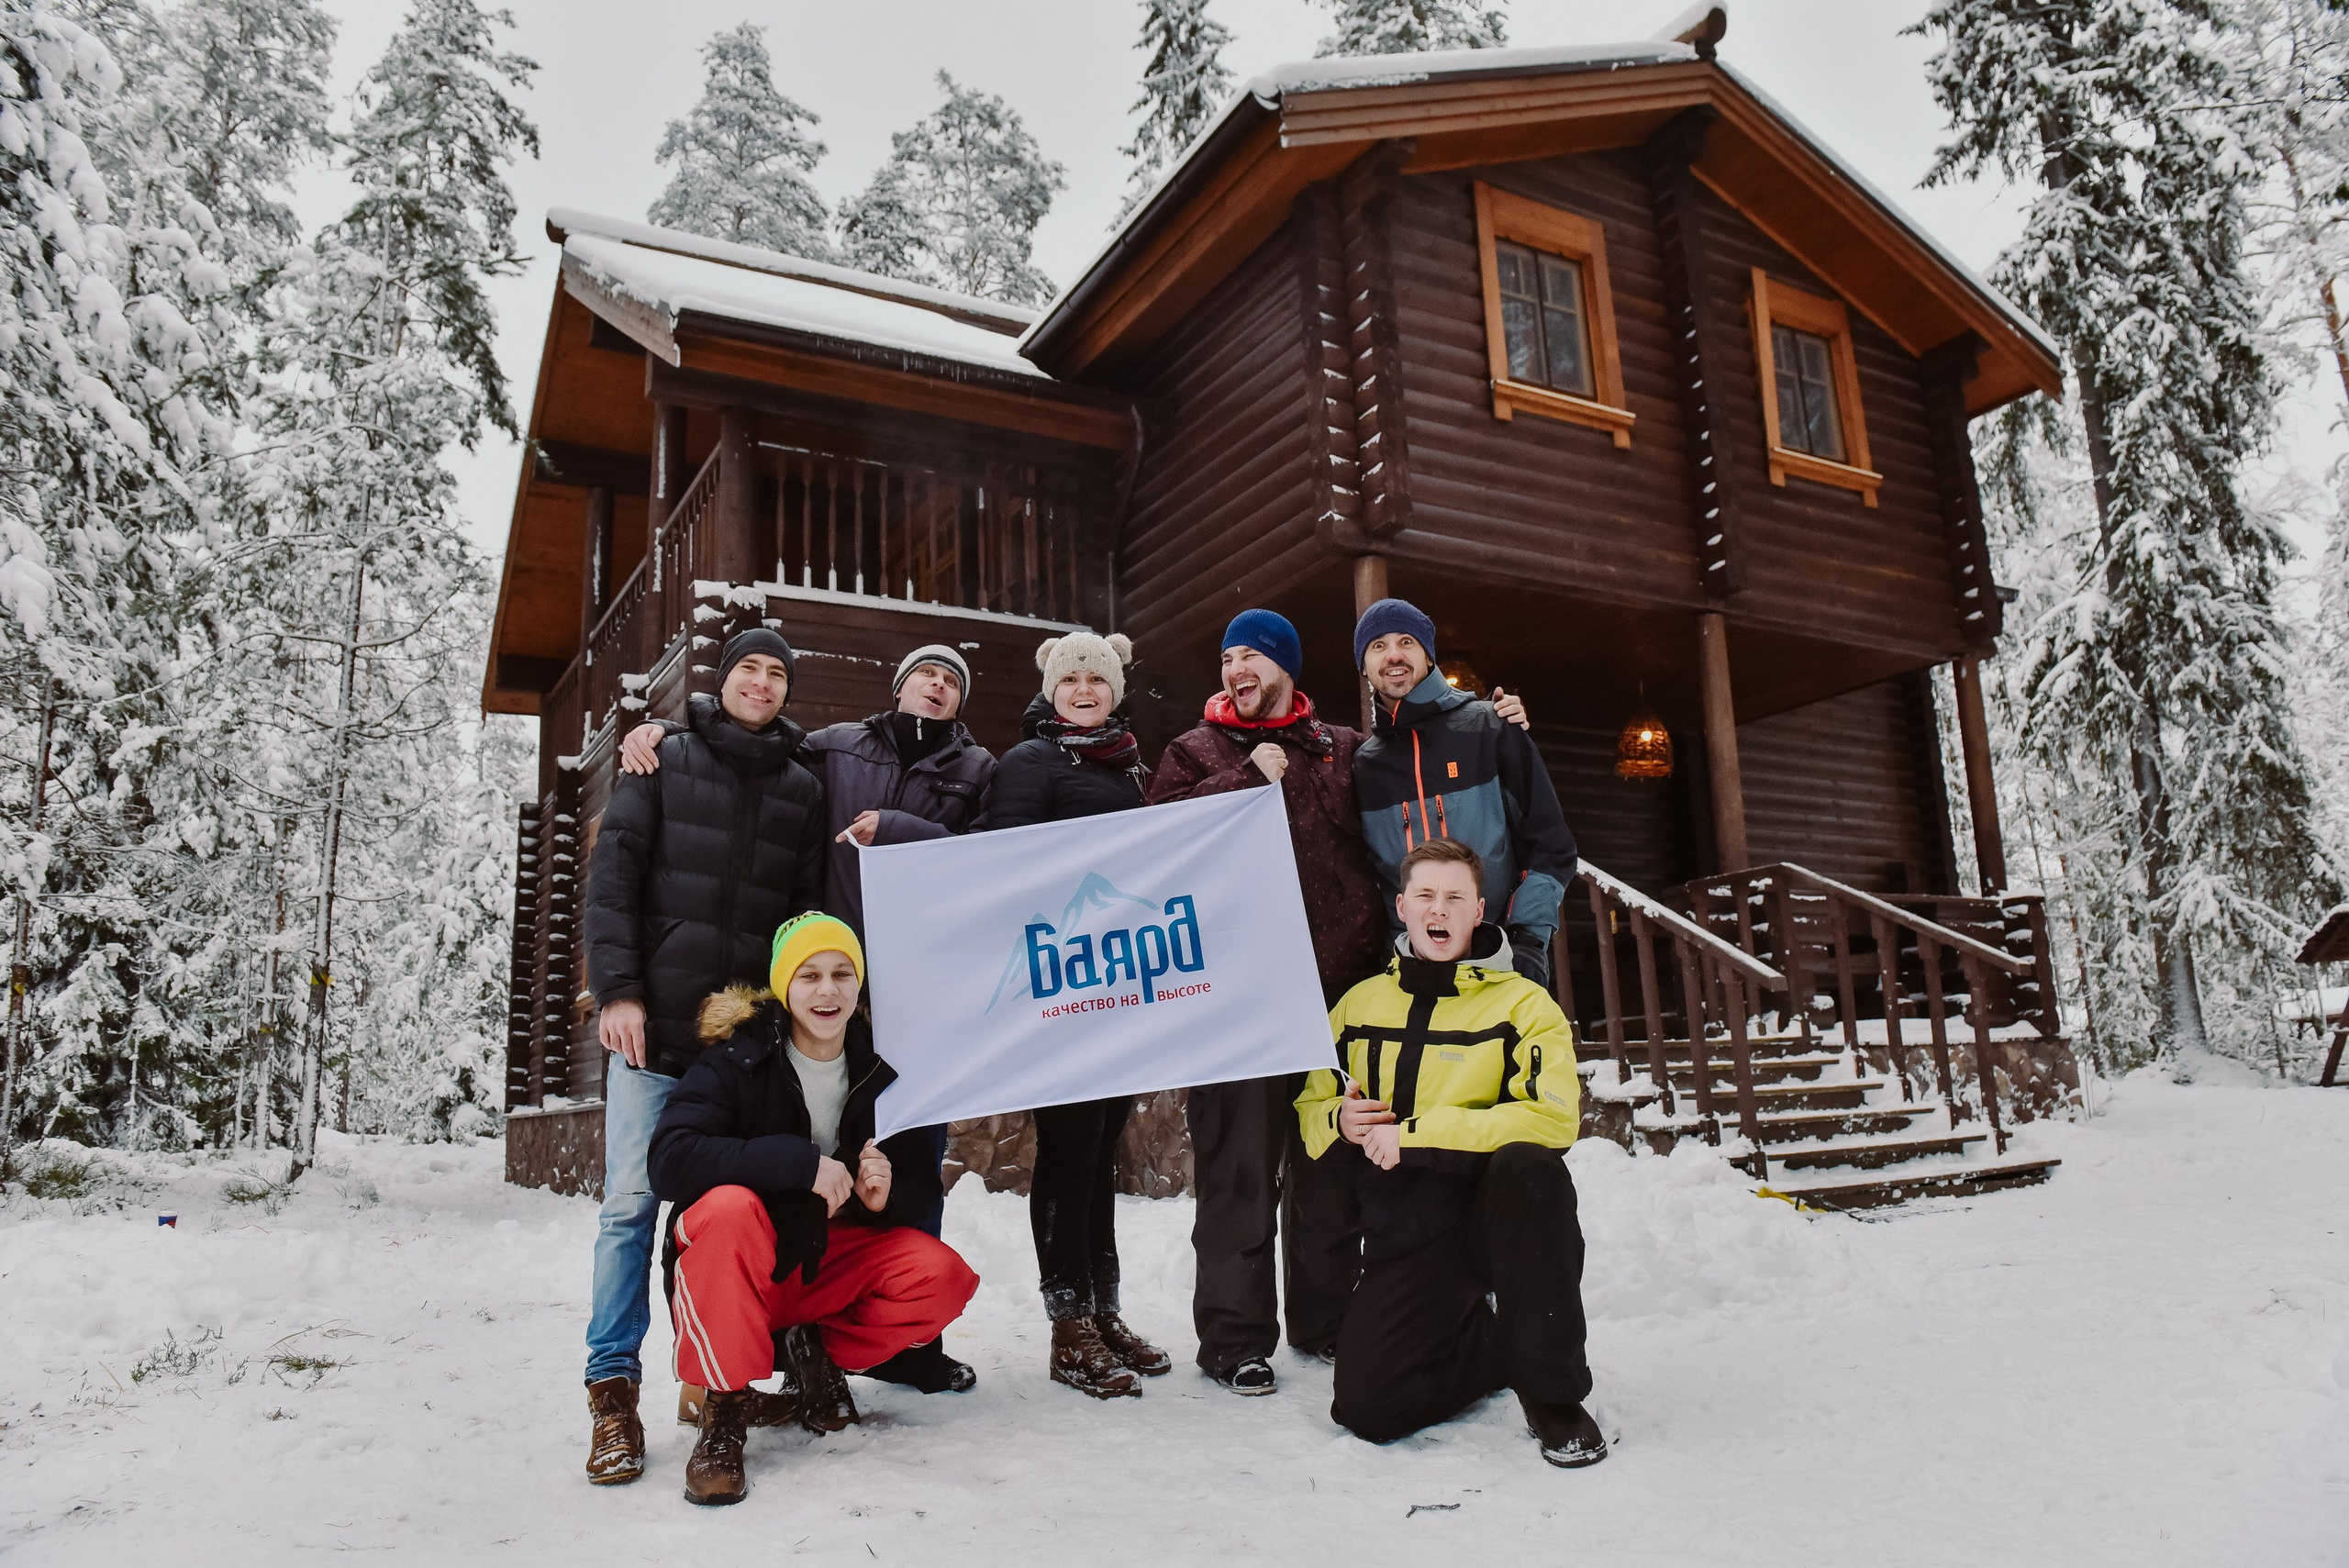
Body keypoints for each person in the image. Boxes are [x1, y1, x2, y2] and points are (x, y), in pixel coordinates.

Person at [1148, 609, 1532, 1396]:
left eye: (1251, 654)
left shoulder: (1344, 749)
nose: (1235, 668)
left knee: (1330, 1167)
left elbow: (1428, 782)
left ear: (1286, 665)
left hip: (1341, 995)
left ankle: (1323, 1321)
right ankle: (1234, 1337)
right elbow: (1152, 845)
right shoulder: (1193, 752)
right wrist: (1240, 778)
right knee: (1240, 1173)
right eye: (1226, 658)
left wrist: (1501, 730)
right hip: (1237, 1002)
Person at [619, 642, 995, 1394]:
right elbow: (749, 734)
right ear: (899, 683)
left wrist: (898, 826)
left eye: (952, 680)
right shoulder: (836, 747)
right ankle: (786, 1341)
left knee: (910, 1166)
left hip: (922, 1001)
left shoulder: (979, 770)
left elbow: (991, 859)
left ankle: (907, 1348)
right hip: (834, 991)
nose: (938, 684)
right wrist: (663, 731)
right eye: (926, 671)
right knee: (788, 1155)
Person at [577, 628, 826, 1487]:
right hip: (654, 1035)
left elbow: (802, 913)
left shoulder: (802, 785)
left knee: (722, 1211)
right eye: (749, 668)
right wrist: (618, 991)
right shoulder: (663, 759)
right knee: (631, 1207)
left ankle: (707, 1378)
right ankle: (613, 1395)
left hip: (743, 1047)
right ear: (725, 682)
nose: (763, 682)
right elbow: (614, 877)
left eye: (777, 673)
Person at [647, 914, 981, 1505]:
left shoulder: (880, 1070)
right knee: (727, 1208)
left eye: (841, 974)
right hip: (737, 1267)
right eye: (809, 976)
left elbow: (916, 1189)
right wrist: (800, 1166)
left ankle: (813, 1356)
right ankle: (722, 1412)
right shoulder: (738, 1058)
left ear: (858, 985)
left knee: (940, 1275)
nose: (827, 991)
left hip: (818, 1262)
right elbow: (671, 1160)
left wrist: (883, 1199)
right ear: (784, 985)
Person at [1296, 837, 1606, 1468]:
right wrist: (1341, 1117)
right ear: (1403, 906)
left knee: (1533, 1166)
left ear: (1478, 910)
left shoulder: (1523, 1003)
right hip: (1410, 1233)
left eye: (1456, 897)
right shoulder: (1357, 1006)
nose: (1441, 910)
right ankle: (1493, 1346)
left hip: (1497, 1220)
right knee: (1367, 1409)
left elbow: (1553, 1116)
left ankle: (1552, 1394)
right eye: (1427, 896)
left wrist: (1414, 1131)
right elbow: (1309, 1114)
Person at [982, 629, 1172, 1399]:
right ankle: (1068, 1325)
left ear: (1117, 688)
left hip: (1121, 984)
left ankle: (1102, 1307)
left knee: (1100, 1150)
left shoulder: (1133, 764)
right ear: (1052, 689)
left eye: (1099, 677)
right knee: (1067, 1151)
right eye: (1072, 678)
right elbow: (1003, 856)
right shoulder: (1030, 762)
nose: (1085, 688)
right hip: (1060, 982)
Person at [1351, 597, 1577, 989]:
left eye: (1406, 642)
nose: (1393, 656)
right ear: (1364, 666)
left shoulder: (1490, 728)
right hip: (1407, 974)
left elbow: (1551, 846)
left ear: (1428, 656)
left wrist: (1527, 939)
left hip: (1499, 959)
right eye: (1378, 646)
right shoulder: (1364, 766)